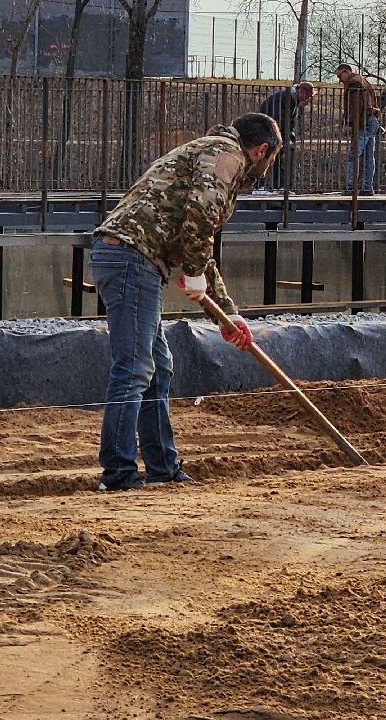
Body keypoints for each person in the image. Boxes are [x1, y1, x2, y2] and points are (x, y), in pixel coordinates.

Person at [89, 112, 281, 491]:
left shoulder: (210, 151)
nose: (269, 166)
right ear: (261, 150)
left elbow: (197, 238)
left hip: (135, 258)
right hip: (132, 258)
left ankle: (163, 467)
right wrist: (193, 270)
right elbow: (201, 215)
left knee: (158, 367)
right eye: (272, 158)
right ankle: (118, 474)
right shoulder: (226, 154)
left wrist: (229, 314)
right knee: (134, 368)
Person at [256, 81, 315, 190]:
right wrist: (283, 137)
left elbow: (286, 120)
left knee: (275, 159)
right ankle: (261, 186)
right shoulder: (286, 98)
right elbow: (279, 119)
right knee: (267, 158)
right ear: (301, 91)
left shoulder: (291, 98)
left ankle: (276, 186)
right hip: (268, 131)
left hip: (272, 130)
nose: (307, 99)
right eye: (307, 96)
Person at [335, 63, 380, 195]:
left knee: (353, 155)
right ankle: (367, 188)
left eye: (339, 75)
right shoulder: (363, 80)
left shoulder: (353, 83)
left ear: (346, 72)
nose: (339, 79)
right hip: (371, 119)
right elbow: (373, 99)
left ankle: (351, 187)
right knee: (368, 156)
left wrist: (349, 122)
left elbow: (355, 105)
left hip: (362, 121)